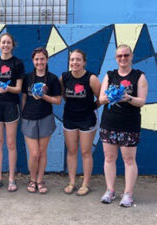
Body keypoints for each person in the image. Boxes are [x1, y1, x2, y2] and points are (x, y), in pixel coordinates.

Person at [99, 44, 148, 207]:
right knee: (109, 158)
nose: (123, 59)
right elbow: (100, 99)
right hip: (109, 123)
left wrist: (128, 98)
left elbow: (142, 102)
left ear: (131, 56)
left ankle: (128, 194)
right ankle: (110, 190)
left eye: (126, 55)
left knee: (129, 159)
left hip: (129, 124)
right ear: (116, 58)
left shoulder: (139, 76)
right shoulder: (109, 75)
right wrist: (111, 97)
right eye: (120, 56)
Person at [60, 49, 101, 196]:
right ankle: (71, 182)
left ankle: (85, 184)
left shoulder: (91, 78)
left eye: (78, 59)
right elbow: (63, 94)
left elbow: (101, 98)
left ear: (84, 62)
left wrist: (91, 108)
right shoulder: (64, 77)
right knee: (71, 151)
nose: (74, 62)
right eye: (72, 60)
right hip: (69, 118)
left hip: (87, 119)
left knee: (85, 152)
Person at [21, 47, 61, 194]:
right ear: (33, 61)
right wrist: (24, 114)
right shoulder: (27, 78)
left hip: (45, 117)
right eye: (37, 59)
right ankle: (32, 179)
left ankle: (39, 180)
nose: (39, 62)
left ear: (47, 60)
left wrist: (44, 96)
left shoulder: (52, 79)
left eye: (42, 59)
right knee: (34, 153)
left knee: (43, 152)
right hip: (29, 118)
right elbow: (24, 97)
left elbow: (57, 101)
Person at [0, 33, 25, 192]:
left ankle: (11, 178)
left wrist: (7, 88)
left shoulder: (18, 63)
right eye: (3, 42)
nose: (5, 45)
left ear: (12, 45)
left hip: (11, 105)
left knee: (10, 143)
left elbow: (18, 89)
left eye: (8, 42)